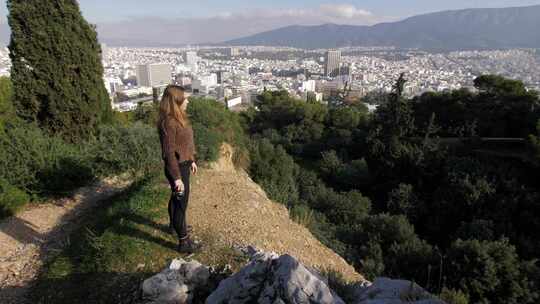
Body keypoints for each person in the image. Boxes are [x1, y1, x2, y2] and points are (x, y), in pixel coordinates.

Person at [157, 85, 201, 253]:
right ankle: (184, 243)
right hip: (176, 169)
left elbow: (185, 144)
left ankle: (174, 226)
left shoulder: (179, 118)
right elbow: (168, 152)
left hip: (183, 165)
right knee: (181, 204)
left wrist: (192, 160)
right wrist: (176, 178)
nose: (188, 100)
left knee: (176, 200)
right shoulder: (168, 123)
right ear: (176, 101)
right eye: (185, 98)